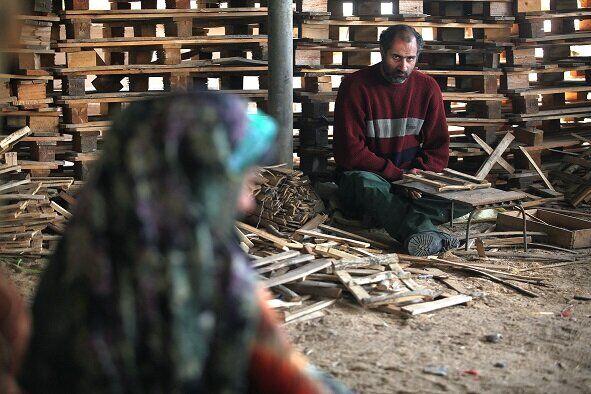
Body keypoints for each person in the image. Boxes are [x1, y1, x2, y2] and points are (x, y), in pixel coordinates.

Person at [20, 92, 349, 393]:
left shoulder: (68, 272)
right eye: (236, 179)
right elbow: (291, 382)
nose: (247, 204)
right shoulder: (216, 279)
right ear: (187, 181)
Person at [333, 24, 469, 256]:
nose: (403, 66)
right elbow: (350, 152)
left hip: (410, 183)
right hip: (369, 178)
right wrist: (397, 177)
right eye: (396, 57)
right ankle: (424, 232)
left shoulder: (427, 87)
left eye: (410, 58)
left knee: (464, 200)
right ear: (382, 51)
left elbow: (438, 149)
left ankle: (384, 216)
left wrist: (417, 176)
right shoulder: (356, 85)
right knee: (367, 185)